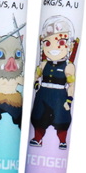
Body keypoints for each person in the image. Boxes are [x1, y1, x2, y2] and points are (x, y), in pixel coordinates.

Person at [30, 16, 78, 150]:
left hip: (59, 95)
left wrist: (69, 100)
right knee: (39, 116)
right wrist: (36, 84)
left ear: (70, 45)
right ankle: (37, 138)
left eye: (61, 42)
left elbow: (71, 85)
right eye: (47, 43)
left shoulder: (68, 67)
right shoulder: (44, 64)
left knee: (61, 118)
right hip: (43, 94)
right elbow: (37, 75)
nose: (53, 47)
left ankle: (62, 140)